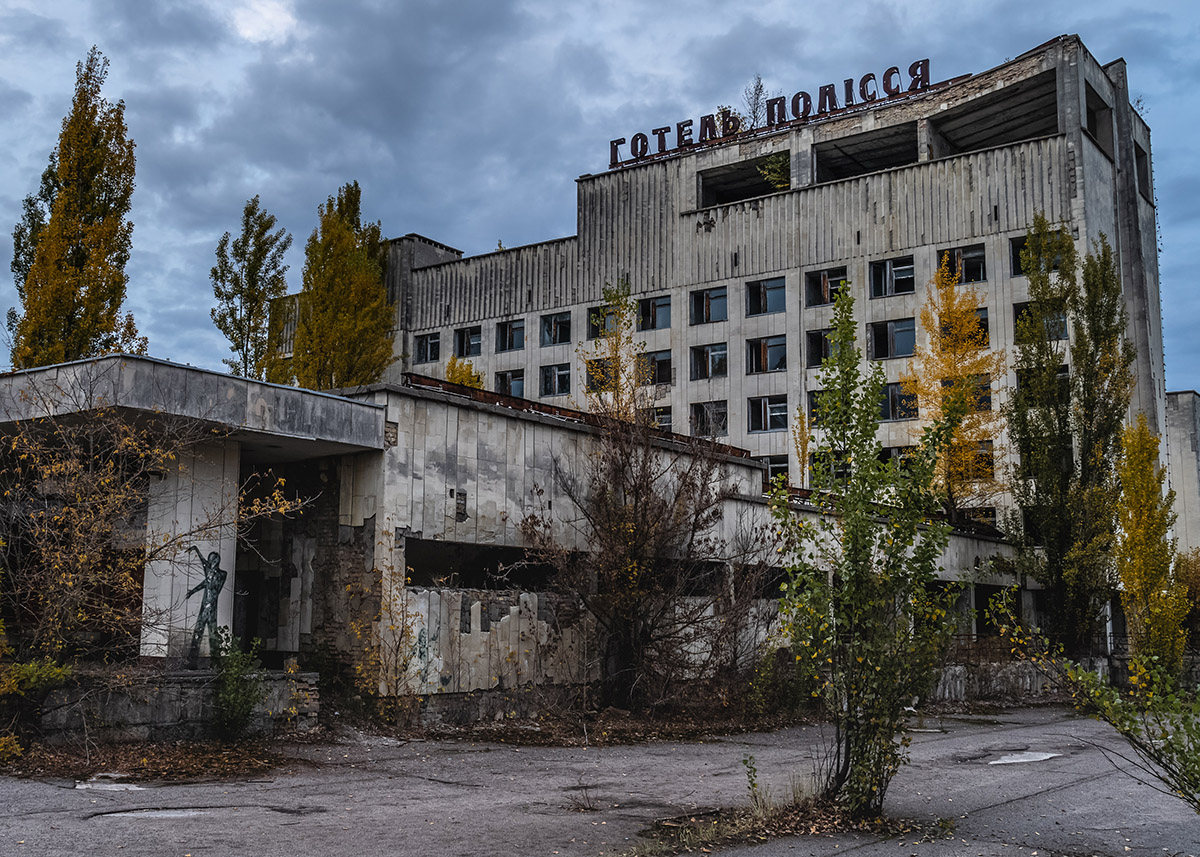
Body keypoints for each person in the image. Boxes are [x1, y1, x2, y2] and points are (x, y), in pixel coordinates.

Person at [185, 545, 227, 665]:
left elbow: (209, 583)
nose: (208, 563)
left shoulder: (221, 574)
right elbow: (206, 582)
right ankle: (196, 661)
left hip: (209, 606)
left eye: (211, 561)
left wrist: (196, 550)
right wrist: (196, 549)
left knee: (208, 633)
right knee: (202, 633)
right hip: (207, 606)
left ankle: (214, 661)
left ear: (215, 561)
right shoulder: (213, 574)